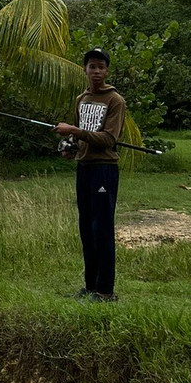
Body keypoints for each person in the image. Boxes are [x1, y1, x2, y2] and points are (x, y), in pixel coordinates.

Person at [55, 48, 126, 302]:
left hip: (104, 169)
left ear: (107, 71)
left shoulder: (115, 100)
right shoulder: (81, 99)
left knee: (102, 229)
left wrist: (74, 129)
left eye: (101, 67)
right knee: (86, 228)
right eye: (91, 66)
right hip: (84, 168)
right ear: (84, 69)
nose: (96, 71)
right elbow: (77, 136)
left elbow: (108, 139)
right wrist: (69, 146)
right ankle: (90, 286)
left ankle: (106, 290)